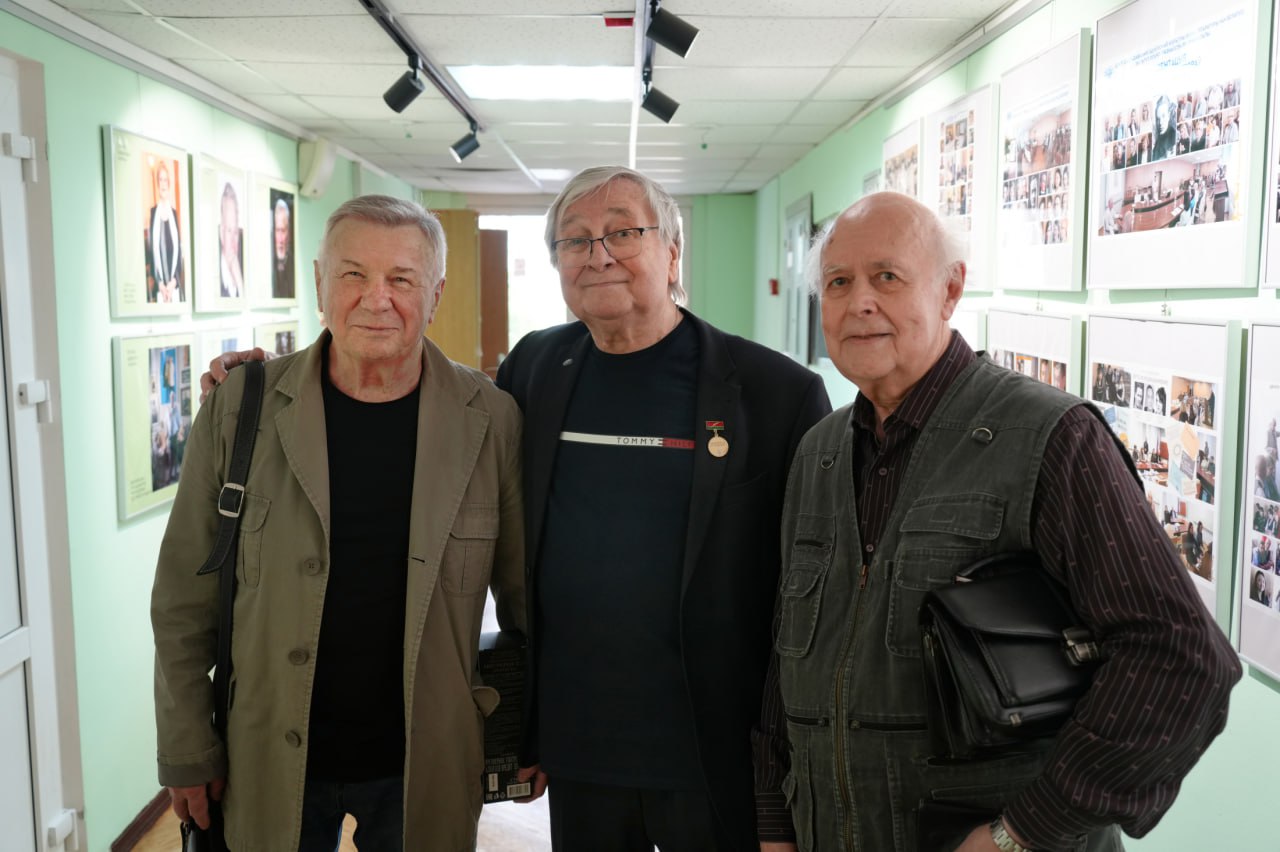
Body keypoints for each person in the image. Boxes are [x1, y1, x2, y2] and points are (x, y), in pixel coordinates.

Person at [203, 168, 831, 851]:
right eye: (575, 239)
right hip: (581, 748)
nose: (598, 254)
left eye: (623, 232)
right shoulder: (536, 366)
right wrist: (261, 381)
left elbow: (808, 606)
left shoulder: (777, 394)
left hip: (717, 752)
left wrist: (784, 779)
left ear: (674, 252)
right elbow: (433, 404)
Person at [755, 191, 1240, 852]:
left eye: (887, 277)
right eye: (838, 283)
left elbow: (1179, 655)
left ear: (950, 290)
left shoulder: (1050, 436)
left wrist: (1022, 832)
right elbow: (785, 657)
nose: (859, 301)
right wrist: (774, 820)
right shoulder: (819, 452)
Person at [153, 195, 526, 850]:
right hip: (267, 757)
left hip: (427, 761)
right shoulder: (240, 409)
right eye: (353, 274)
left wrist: (526, 736)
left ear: (435, 295)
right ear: (320, 283)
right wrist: (187, 748)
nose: (376, 299)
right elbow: (183, 603)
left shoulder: (490, 420)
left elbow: (524, 603)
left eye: (402, 279)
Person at [148, 160, 183, 303]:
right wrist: (161, 285)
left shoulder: (174, 214)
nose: (163, 184)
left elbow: (179, 253)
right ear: (157, 184)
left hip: (174, 287)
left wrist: (173, 283)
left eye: (165, 180)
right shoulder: (152, 213)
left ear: (169, 184)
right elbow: (151, 254)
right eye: (160, 180)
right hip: (160, 289)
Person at [217, 182, 244, 299]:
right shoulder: (213, 271)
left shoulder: (244, 264)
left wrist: (240, 285)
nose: (233, 241)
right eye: (229, 231)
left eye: (236, 232)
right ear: (221, 232)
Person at [272, 195, 296, 298]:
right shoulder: (267, 261)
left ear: (289, 232)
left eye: (283, 231)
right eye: (278, 231)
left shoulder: (293, 262)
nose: (281, 239)